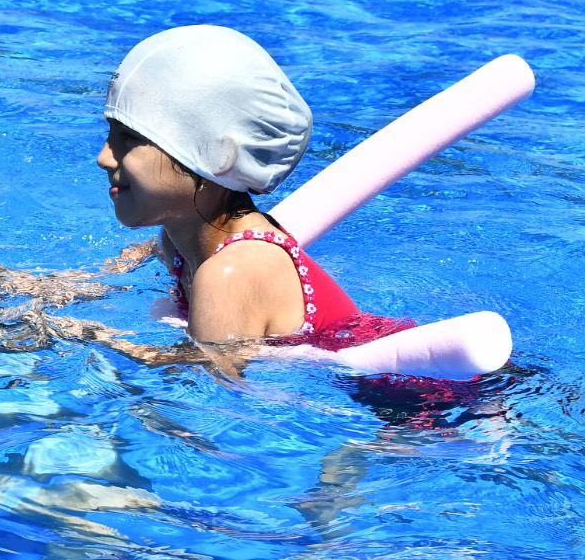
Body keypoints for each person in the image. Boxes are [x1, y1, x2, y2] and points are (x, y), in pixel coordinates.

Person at [95, 24, 410, 349]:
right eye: (110, 134)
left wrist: (93, 337)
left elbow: (203, 377)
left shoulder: (231, 273)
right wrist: (86, 284)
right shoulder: (178, 239)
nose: (103, 157)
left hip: (387, 380)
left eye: (128, 138)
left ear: (216, 157)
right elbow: (148, 250)